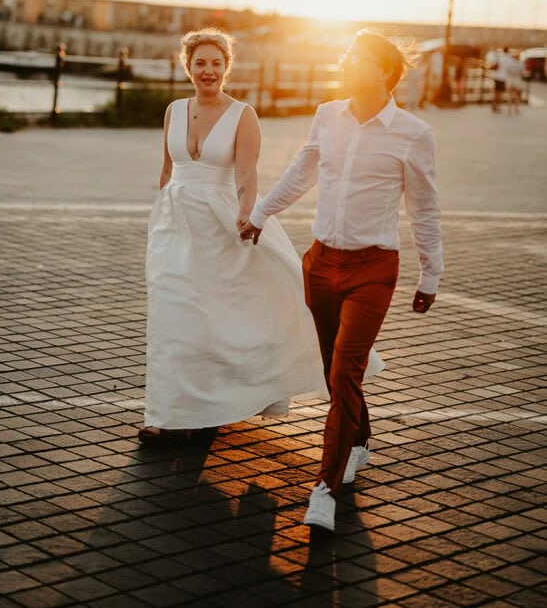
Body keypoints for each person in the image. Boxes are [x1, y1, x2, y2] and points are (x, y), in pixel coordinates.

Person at [239, 29, 443, 532]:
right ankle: (358, 440)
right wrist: (261, 214)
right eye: (347, 54)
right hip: (321, 263)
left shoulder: (413, 133)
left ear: (384, 70)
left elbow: (424, 207)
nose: (347, 62)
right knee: (337, 371)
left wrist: (431, 272)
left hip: (373, 269)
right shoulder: (328, 115)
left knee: (345, 372)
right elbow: (301, 170)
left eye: (357, 57)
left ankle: (325, 490)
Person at [140, 27, 382, 444]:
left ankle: (211, 405)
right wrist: (161, 214)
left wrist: (248, 214)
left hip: (220, 225)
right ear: (188, 67)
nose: (208, 71)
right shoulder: (173, 110)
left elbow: (246, 174)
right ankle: (164, 414)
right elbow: (167, 170)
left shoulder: (242, 114)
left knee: (214, 316)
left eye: (216, 63)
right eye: (200, 63)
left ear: (227, 68)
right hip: (174, 227)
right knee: (172, 316)